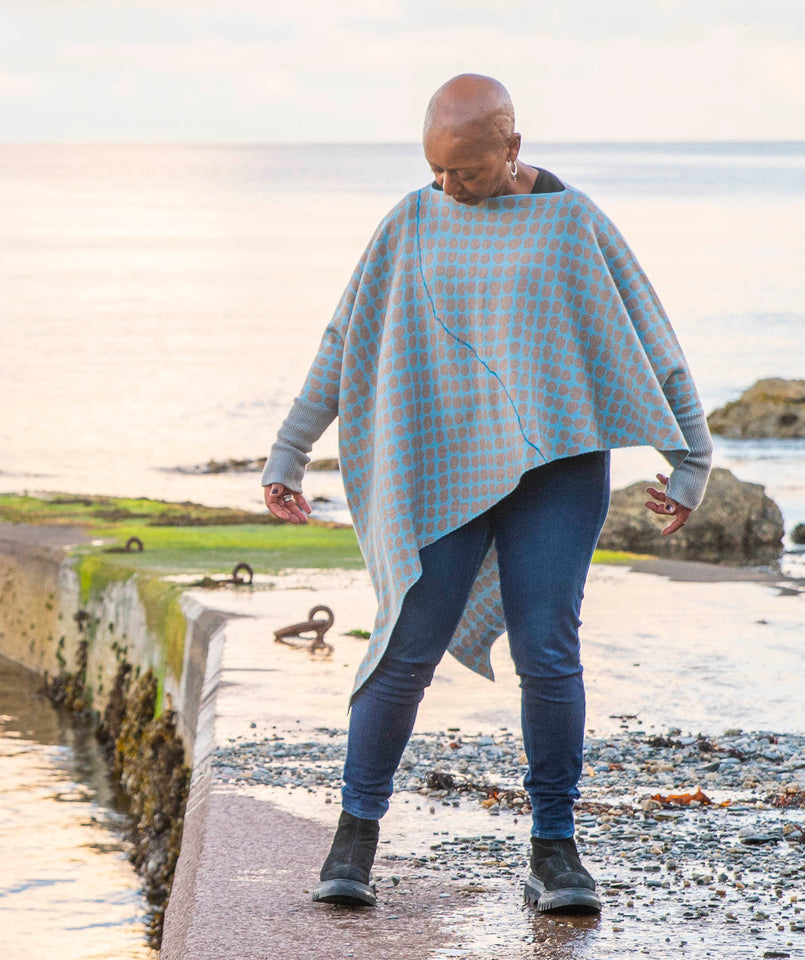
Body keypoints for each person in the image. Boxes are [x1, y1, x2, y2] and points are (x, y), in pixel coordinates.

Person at [261, 74, 712, 915]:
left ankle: (555, 849)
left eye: (464, 171)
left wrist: (690, 456)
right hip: (440, 464)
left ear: (510, 147)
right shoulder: (412, 219)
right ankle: (355, 832)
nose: (448, 187)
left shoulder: (573, 224)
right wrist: (291, 447)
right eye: (436, 169)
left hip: (558, 471)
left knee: (549, 650)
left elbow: (650, 333)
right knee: (405, 642)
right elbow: (345, 336)